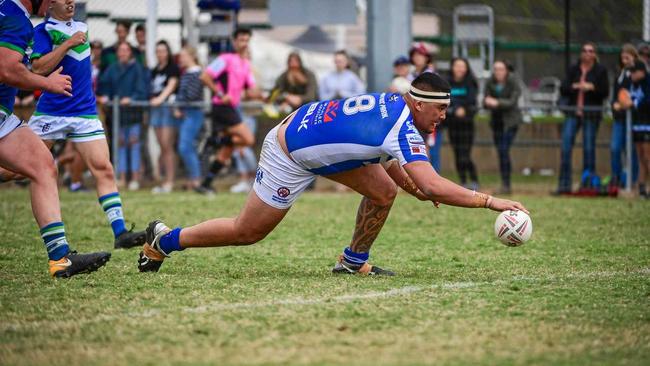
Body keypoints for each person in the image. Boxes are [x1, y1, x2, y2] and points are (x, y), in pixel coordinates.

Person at [136, 73, 528, 276]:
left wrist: (421, 189)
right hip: (290, 152)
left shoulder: (395, 105)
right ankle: (164, 240)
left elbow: (398, 169)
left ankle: (353, 261)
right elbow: (429, 181)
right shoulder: (403, 126)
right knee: (248, 232)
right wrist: (490, 201)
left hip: (312, 133)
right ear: (420, 104)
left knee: (383, 192)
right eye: (439, 109)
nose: (442, 116)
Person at [0, 0, 110, 277]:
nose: (54, 2)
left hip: (4, 118)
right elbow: (8, 70)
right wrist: (47, 84)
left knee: (44, 166)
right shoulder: (16, 19)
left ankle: (60, 258)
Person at [27, 0, 146, 249]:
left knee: (104, 168)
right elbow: (38, 68)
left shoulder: (82, 26)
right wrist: (68, 43)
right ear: (49, 4)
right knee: (18, 169)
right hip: (52, 112)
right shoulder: (42, 31)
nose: (70, 1)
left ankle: (120, 233)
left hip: (84, 113)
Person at [198, 27, 260, 193]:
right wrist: (220, 93)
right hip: (222, 107)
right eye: (241, 40)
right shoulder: (226, 59)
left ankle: (205, 184)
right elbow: (205, 76)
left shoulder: (246, 64)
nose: (244, 43)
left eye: (247, 40)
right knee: (248, 139)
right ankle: (213, 141)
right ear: (234, 42)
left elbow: (251, 91)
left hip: (232, 108)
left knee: (227, 150)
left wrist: (263, 96)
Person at [555, 42, 609, 194]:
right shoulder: (573, 69)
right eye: (584, 50)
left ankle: (588, 186)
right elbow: (563, 87)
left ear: (594, 54)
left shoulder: (600, 71)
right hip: (573, 113)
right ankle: (564, 185)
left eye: (590, 50)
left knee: (589, 149)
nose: (587, 53)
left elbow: (605, 91)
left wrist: (592, 87)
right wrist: (576, 86)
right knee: (565, 148)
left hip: (591, 114)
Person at [98, 41, 149, 191]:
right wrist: (106, 97)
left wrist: (131, 99)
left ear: (130, 53)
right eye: (121, 50)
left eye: (126, 50)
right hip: (117, 115)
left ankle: (134, 179)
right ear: (117, 53)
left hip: (133, 114)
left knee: (134, 144)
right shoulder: (112, 69)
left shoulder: (137, 69)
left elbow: (142, 90)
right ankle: (120, 177)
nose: (123, 53)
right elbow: (104, 86)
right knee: (119, 145)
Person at [484, 60, 523, 195]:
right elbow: (485, 101)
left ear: (506, 70)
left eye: (501, 69)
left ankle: (506, 184)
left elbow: (512, 102)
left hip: (511, 123)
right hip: (496, 122)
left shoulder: (513, 81)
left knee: (504, 150)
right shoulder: (490, 82)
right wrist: (488, 102)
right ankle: (504, 184)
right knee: (501, 153)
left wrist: (496, 102)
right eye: (495, 69)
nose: (498, 72)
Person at [150, 40, 180, 194]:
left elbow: (171, 86)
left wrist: (160, 99)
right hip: (155, 111)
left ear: (168, 52)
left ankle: (170, 181)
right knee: (162, 146)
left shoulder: (173, 68)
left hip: (167, 110)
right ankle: (163, 181)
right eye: (158, 51)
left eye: (163, 50)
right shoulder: (155, 70)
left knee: (167, 146)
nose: (160, 53)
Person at [173, 45, 205, 191]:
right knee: (187, 146)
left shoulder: (196, 73)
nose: (181, 59)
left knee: (185, 146)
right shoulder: (186, 73)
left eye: (184, 56)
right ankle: (193, 178)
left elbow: (191, 94)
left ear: (192, 56)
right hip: (187, 113)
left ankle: (196, 179)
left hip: (194, 113)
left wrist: (177, 101)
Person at [446, 57, 479, 190]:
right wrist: (454, 109)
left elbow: (472, 102)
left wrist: (463, 109)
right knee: (457, 153)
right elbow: (446, 100)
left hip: (467, 124)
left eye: (462, 66)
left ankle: (474, 179)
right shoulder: (446, 82)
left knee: (465, 154)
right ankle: (463, 181)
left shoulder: (470, 82)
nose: (460, 69)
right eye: (457, 66)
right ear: (452, 67)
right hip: (452, 124)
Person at [610, 44, 639, 187]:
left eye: (628, 57)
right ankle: (616, 178)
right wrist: (615, 105)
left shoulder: (638, 74)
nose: (625, 60)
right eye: (623, 57)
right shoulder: (619, 74)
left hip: (633, 119)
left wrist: (625, 104)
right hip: (619, 119)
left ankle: (632, 181)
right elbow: (615, 96)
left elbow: (636, 96)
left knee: (631, 151)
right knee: (615, 148)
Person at [627, 60, 650, 198]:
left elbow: (647, 101)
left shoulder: (648, 82)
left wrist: (634, 103)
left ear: (642, 71)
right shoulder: (632, 84)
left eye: (634, 72)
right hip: (637, 124)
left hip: (647, 124)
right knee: (641, 157)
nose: (632, 74)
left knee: (648, 157)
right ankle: (641, 188)